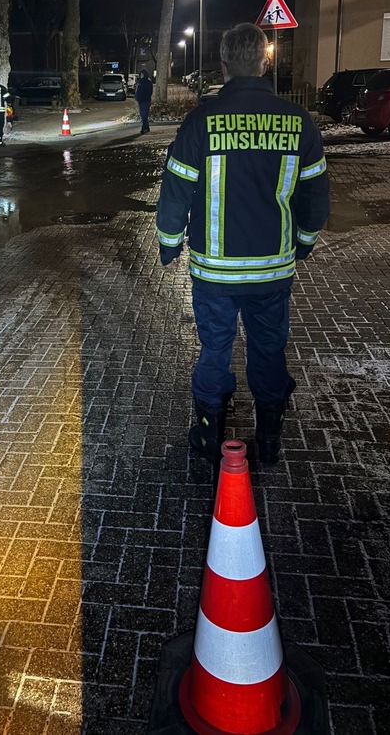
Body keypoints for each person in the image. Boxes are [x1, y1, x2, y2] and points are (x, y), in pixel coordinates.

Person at [156, 23, 330, 466]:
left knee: (215, 349)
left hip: (215, 271)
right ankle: (269, 437)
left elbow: (175, 192)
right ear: (265, 62)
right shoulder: (298, 122)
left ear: (225, 64)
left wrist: (169, 244)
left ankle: (211, 436)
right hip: (272, 271)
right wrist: (303, 243)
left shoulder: (201, 122)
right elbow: (315, 198)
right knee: (269, 349)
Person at [135, 69, 153, 134]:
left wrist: (139, 97)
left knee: (143, 115)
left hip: (143, 101)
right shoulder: (148, 82)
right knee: (145, 115)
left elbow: (140, 91)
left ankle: (144, 128)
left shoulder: (142, 82)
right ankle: (147, 128)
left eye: (142, 74)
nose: (141, 76)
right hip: (146, 100)